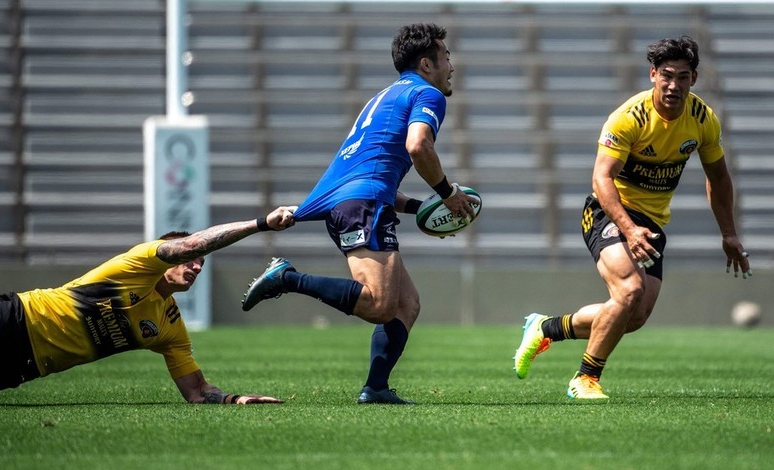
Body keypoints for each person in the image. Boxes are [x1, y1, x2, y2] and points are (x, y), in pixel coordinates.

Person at [240, 23, 476, 404]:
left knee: (406, 304)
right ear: (426, 64)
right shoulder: (427, 94)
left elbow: (372, 172)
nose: (452, 66)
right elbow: (418, 147)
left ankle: (376, 387)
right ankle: (287, 278)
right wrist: (447, 194)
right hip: (363, 205)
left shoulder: (385, 97)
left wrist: (420, 208)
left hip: (355, 201)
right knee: (380, 305)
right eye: (446, 57)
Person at [512, 36, 752, 400]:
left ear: (694, 78)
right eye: (666, 75)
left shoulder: (703, 119)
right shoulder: (628, 117)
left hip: (651, 223)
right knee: (629, 290)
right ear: (653, 74)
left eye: (682, 77)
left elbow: (718, 177)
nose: (673, 85)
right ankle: (585, 378)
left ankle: (546, 328)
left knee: (634, 315)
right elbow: (601, 178)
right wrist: (628, 228)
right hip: (608, 211)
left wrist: (729, 234)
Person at [0, 206, 297, 403]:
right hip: (21, 316)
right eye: (191, 259)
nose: (196, 266)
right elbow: (193, 244)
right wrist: (262, 224)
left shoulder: (170, 327)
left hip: (26, 367)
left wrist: (233, 399)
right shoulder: (139, 263)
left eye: (201, 264)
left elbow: (196, 391)